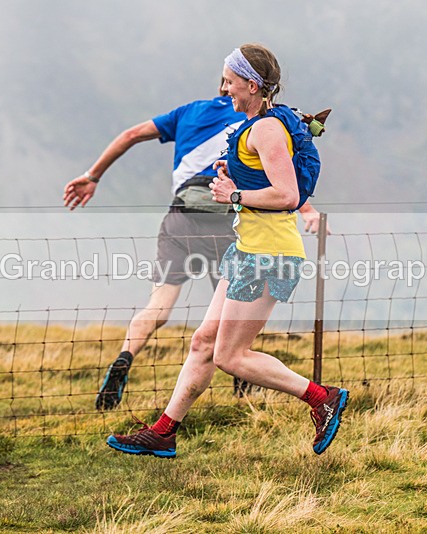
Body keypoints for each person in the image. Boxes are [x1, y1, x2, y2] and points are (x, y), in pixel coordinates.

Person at [106, 44, 348, 458]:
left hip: (267, 255)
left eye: (230, 81)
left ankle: (320, 397)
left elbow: (287, 194)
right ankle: (164, 432)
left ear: (252, 85)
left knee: (231, 356)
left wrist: (233, 195)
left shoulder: (268, 129)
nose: (225, 88)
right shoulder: (256, 125)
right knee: (203, 341)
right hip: (248, 249)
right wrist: (232, 175)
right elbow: (264, 181)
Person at [63, 79, 326, 410]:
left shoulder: (187, 114)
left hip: (181, 221)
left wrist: (93, 176)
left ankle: (125, 357)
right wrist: (307, 209)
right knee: (234, 316)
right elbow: (279, 178)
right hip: (225, 223)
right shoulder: (257, 121)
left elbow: (131, 136)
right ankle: (243, 385)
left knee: (158, 306)